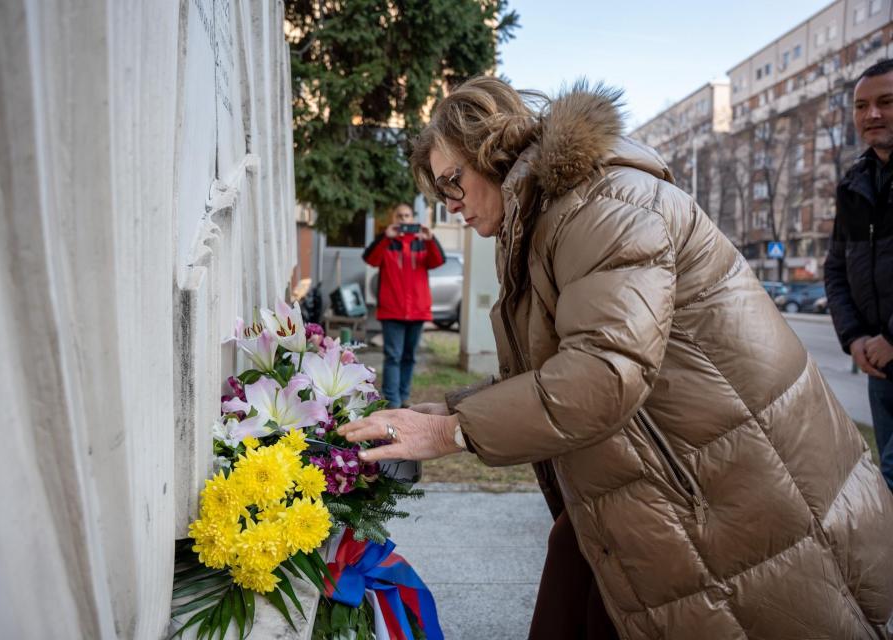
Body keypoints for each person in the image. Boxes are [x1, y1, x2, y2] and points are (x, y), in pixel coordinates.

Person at [340, 76, 893, 639]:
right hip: (664, 476)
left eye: (452, 181)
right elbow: (560, 368)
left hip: (731, 482)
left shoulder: (605, 204)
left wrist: (452, 433)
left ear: (489, 149)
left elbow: (603, 374)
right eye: (440, 193)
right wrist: (453, 411)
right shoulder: (546, 217)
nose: (451, 203)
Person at [825, 58, 893, 494]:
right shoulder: (854, 185)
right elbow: (835, 269)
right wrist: (854, 338)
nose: (873, 114)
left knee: (888, 485)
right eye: (862, 106)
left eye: (887, 102)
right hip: (880, 368)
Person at [363, 203, 446, 408]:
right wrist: (385, 237)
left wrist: (431, 239)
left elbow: (438, 261)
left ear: (412, 219)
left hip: (417, 311)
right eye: (399, 216)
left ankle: (404, 396)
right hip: (392, 311)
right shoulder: (387, 242)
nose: (403, 219)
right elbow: (370, 259)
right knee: (393, 356)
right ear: (394, 219)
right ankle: (393, 400)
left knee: (409, 357)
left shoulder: (422, 242)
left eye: (407, 216)